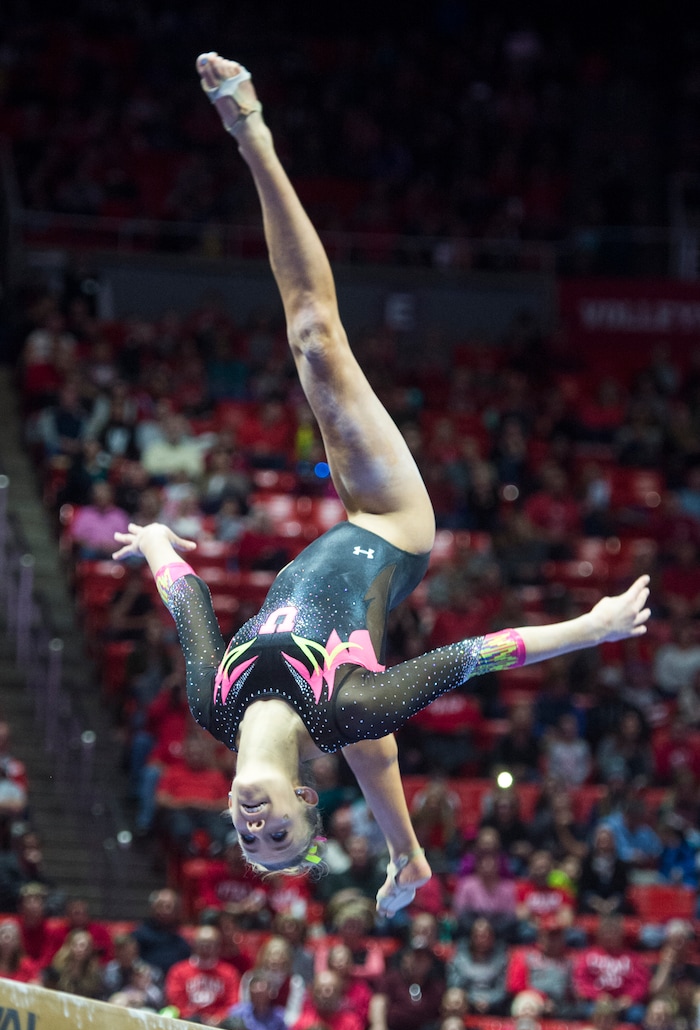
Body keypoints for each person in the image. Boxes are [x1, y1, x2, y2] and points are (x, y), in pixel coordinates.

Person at [113, 50, 651, 916]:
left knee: (375, 749)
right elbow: (484, 653)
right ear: (302, 803)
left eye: (250, 840)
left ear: (232, 810)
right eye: (281, 834)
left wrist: (153, 545)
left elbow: (189, 605)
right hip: (392, 523)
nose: (259, 829)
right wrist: (593, 625)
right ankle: (253, 133)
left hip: (338, 549)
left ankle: (408, 859)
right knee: (318, 344)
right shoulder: (352, 706)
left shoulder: (211, 700)